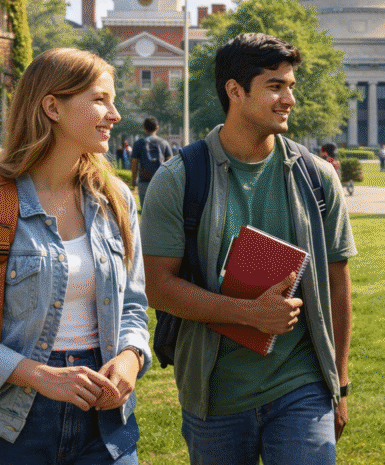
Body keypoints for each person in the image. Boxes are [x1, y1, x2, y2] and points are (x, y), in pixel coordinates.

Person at [0, 48, 150, 464]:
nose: (114, 115)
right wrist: (40, 376)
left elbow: (132, 305)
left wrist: (130, 358)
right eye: (99, 99)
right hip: (7, 424)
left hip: (105, 423)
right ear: (52, 107)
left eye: (113, 101)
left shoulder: (115, 201)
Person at [141, 33, 356, 465]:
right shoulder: (181, 178)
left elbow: (336, 285)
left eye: (291, 85)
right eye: (275, 86)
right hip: (215, 391)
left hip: (302, 384)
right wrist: (248, 313)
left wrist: (340, 384)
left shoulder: (316, 177)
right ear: (235, 91)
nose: (289, 98)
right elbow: (157, 287)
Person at [130, 116, 171, 208]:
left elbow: (134, 163)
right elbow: (170, 162)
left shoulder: (138, 144)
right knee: (160, 211)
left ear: (145, 129)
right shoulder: (164, 143)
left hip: (144, 182)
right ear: (157, 128)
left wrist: (133, 181)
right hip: (160, 182)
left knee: (145, 211)